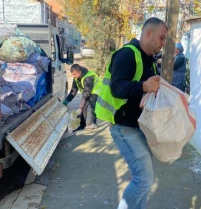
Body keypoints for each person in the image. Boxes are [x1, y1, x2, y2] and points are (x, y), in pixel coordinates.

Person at [96, 17, 167, 209]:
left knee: (144, 179)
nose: (163, 44)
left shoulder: (149, 61)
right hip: (124, 127)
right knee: (143, 179)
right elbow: (116, 88)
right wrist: (144, 85)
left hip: (139, 127)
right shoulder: (127, 54)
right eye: (161, 38)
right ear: (148, 33)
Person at [63, 64, 101, 131]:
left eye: (75, 74)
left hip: (97, 91)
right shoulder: (76, 77)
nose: (73, 76)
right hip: (88, 91)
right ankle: (82, 125)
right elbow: (74, 90)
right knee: (84, 107)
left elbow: (86, 94)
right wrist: (66, 101)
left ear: (80, 72)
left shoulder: (88, 78)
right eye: (72, 74)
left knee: (92, 104)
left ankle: (93, 123)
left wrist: (80, 107)